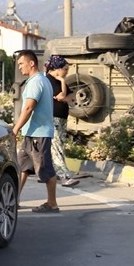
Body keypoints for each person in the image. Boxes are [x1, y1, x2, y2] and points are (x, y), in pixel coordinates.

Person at [12, 50, 60, 213]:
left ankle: (52, 203)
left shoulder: (36, 82)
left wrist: (15, 128)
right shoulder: (41, 80)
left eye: (21, 64)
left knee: (45, 169)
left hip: (39, 134)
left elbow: (29, 107)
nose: (19, 67)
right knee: (22, 167)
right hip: (31, 133)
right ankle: (14, 199)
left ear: (31, 63)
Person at [47, 55, 80, 187]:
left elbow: (70, 96)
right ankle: (64, 176)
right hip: (52, 117)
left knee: (59, 145)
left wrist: (63, 86)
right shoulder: (49, 80)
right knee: (56, 147)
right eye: (65, 69)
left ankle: (49, 174)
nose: (66, 72)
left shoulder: (60, 81)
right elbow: (61, 97)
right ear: (57, 68)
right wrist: (62, 84)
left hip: (61, 118)